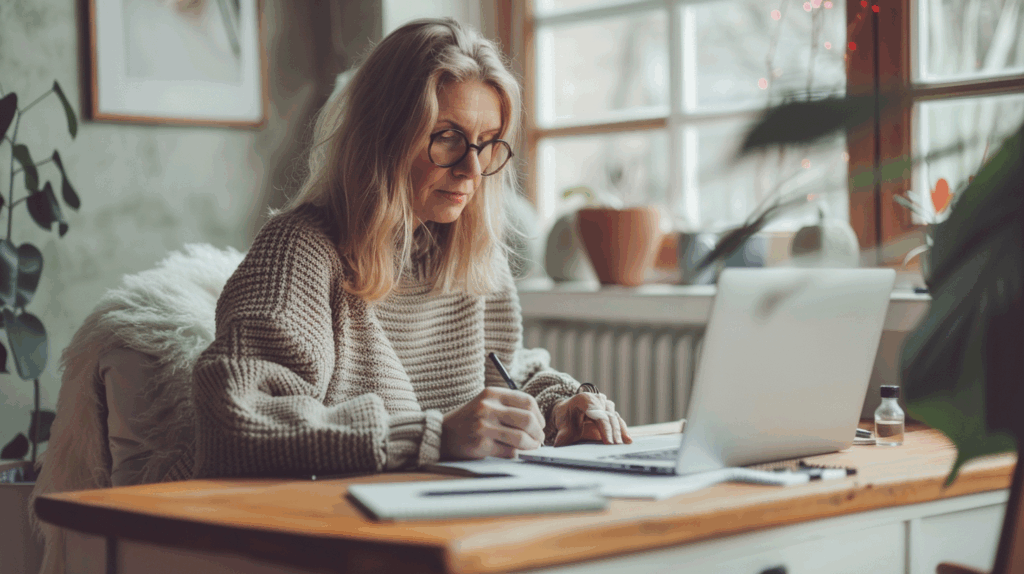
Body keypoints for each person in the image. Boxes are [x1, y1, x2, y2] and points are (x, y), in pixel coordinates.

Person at [189, 18, 631, 479]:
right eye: (447, 138)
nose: (472, 171)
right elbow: (235, 420)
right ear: (384, 135)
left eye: (486, 144)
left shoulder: (475, 253)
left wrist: (560, 406)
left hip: (434, 509)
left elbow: (507, 373)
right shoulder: (298, 251)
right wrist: (433, 437)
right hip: (318, 525)